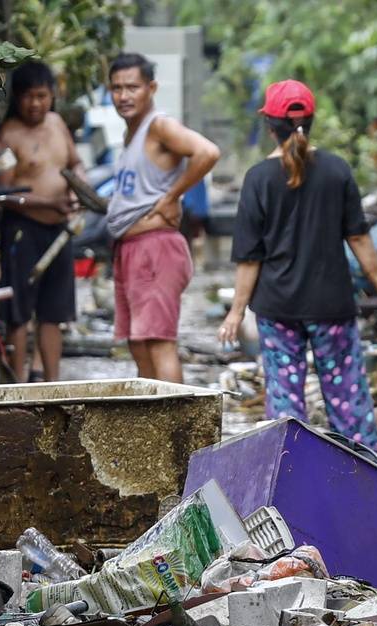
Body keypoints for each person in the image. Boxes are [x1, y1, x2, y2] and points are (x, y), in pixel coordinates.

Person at [220, 80, 377, 451]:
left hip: (278, 306)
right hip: (332, 303)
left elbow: (250, 257)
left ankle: (289, 470)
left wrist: (236, 311)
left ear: (269, 125)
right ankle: (367, 472)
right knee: (347, 397)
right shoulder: (337, 171)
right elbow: (359, 238)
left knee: (284, 400)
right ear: (310, 120)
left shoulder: (258, 179)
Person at [105, 52, 220, 382]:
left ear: (151, 88)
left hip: (155, 248)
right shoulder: (132, 134)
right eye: (116, 88)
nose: (124, 96)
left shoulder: (160, 125)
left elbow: (207, 152)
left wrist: (172, 196)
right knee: (138, 343)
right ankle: (151, 425)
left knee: (158, 342)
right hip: (131, 249)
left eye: (132, 87)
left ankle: (175, 428)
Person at [0, 60, 83, 382]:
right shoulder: (9, 135)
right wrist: (49, 201)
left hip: (59, 231)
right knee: (20, 313)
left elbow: (75, 163)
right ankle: (19, 383)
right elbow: (4, 193)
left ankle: (53, 383)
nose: (36, 104)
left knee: (54, 313)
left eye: (42, 96)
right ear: (17, 98)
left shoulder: (58, 124)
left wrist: (79, 192)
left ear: (52, 96)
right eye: (29, 96)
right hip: (22, 231)